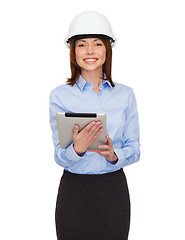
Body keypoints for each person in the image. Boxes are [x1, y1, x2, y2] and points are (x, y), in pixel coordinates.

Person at [49, 11, 140, 240]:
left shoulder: (125, 95)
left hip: (113, 192)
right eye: (82, 45)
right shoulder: (59, 96)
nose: (90, 51)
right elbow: (59, 155)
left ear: (107, 49)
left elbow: (135, 147)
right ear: (73, 52)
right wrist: (77, 148)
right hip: (74, 192)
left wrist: (114, 155)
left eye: (97, 44)